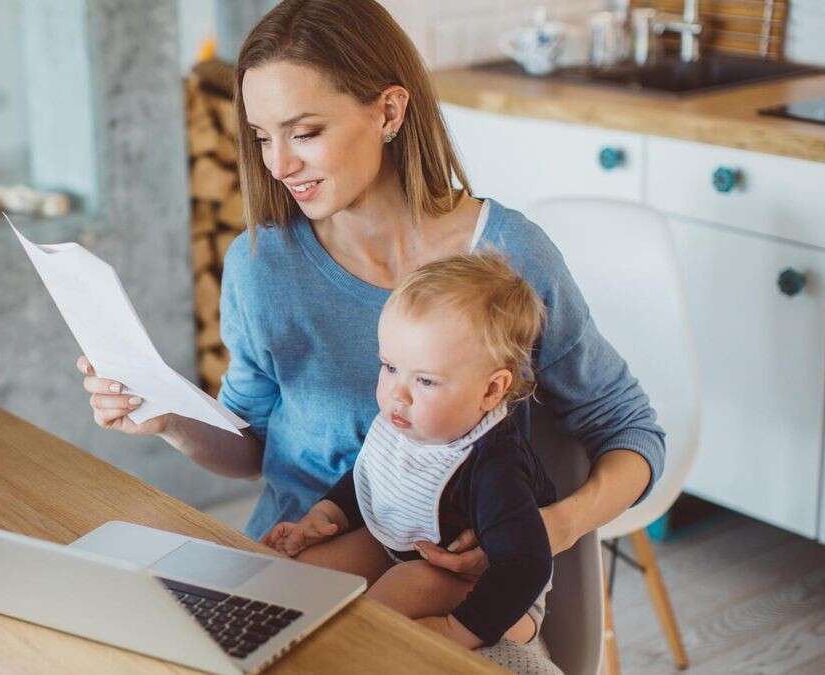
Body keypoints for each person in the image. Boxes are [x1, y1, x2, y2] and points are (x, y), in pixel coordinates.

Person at [77, 0, 663, 590]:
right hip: (290, 565)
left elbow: (628, 428)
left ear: (388, 111)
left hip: (443, 590)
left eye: (305, 133)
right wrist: (166, 417)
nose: (278, 164)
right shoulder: (262, 266)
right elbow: (250, 450)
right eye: (261, 137)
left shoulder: (509, 258)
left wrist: (553, 527)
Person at [262, 253, 555, 650]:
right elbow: (374, 477)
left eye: (427, 381)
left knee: (390, 600)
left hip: (497, 594)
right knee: (304, 574)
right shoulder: (409, 420)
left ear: (490, 391)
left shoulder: (494, 465)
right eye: (390, 367)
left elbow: (525, 566)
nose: (398, 393)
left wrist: (457, 631)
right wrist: (322, 516)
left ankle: (348, 652)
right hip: (404, 549)